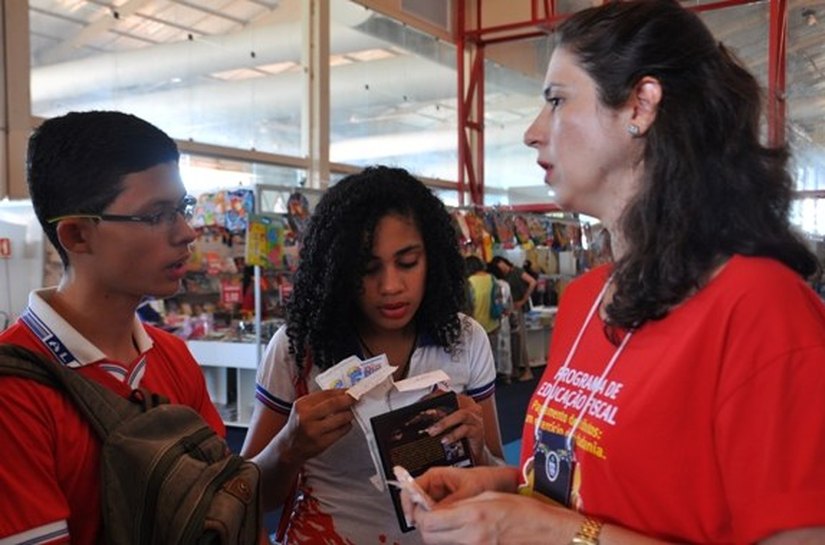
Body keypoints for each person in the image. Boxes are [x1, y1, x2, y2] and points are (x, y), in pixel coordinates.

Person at [402, 1, 825, 544]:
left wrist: (549, 532)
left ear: (641, 105)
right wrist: (502, 489)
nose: (533, 132)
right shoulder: (585, 300)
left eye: (556, 101)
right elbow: (602, 482)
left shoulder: (761, 311)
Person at [241, 165, 504, 544]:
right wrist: (289, 447)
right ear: (338, 269)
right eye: (367, 268)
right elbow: (249, 495)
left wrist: (476, 447)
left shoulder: (465, 339)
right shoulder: (296, 347)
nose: (391, 286)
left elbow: (499, 478)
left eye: (408, 262)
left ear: (433, 257)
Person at [0, 111, 227, 544]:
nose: (187, 232)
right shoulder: (14, 390)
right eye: (157, 215)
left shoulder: (170, 354)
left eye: (182, 208)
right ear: (77, 236)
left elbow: (218, 499)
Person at [489, 255, 537, 381]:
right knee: (515, 341)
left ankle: (527, 370)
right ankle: (516, 369)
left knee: (521, 340)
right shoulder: (504, 277)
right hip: (511, 310)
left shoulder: (517, 271)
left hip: (519, 308)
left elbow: (532, 282)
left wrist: (523, 300)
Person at [464, 255, 501, 363]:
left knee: (478, 360)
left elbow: (468, 305)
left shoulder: (470, 282)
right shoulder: (493, 278)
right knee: (492, 357)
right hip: (493, 324)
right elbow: (499, 300)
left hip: (476, 326)